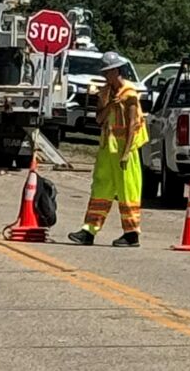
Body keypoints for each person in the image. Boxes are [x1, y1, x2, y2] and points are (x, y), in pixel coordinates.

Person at [68, 51, 148, 248]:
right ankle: (89, 230)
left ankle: (131, 234)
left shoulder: (129, 94)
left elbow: (132, 125)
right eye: (104, 72)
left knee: (127, 190)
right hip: (107, 148)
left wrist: (126, 153)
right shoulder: (105, 92)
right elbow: (99, 119)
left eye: (108, 72)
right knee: (101, 188)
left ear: (116, 71)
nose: (105, 75)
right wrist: (109, 104)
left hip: (124, 149)